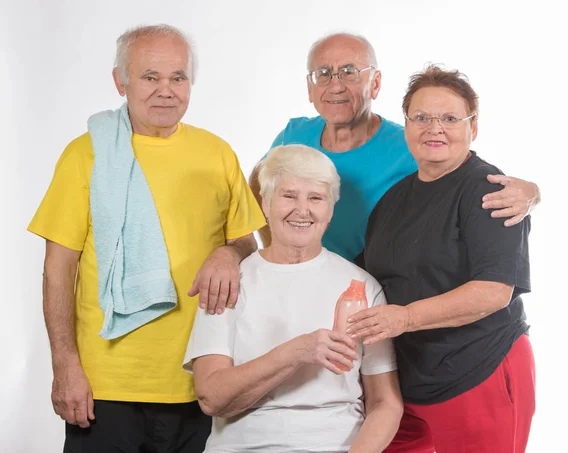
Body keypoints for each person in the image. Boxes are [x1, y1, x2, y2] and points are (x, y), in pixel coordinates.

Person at [27, 24, 265, 452]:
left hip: (202, 377)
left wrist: (230, 253)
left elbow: (247, 243)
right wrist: (64, 364)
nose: (166, 90)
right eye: (150, 77)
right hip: (107, 383)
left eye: (178, 77)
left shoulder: (217, 153)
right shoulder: (87, 155)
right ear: (120, 81)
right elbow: (58, 268)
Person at [346, 65, 535, 453]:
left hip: (478, 370)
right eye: (422, 117)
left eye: (449, 118)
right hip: (406, 383)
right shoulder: (393, 199)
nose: (435, 128)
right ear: (407, 125)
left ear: (473, 127)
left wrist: (405, 317)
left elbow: (493, 292)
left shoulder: (489, 190)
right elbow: (364, 273)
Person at [183, 144, 404, 453]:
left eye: (316, 198)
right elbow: (211, 397)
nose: (302, 210)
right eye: (288, 196)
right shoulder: (230, 281)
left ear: (330, 210)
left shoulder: (363, 287)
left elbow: (385, 403)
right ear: (265, 203)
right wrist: (297, 352)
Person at [249, 32, 540, 263]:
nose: (335, 85)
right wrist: (275, 247)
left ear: (375, 83)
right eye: (323, 73)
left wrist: (532, 193)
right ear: (310, 88)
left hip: (374, 287)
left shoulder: (410, 143)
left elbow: (467, 175)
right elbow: (256, 184)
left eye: (349, 71)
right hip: (304, 278)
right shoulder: (295, 133)